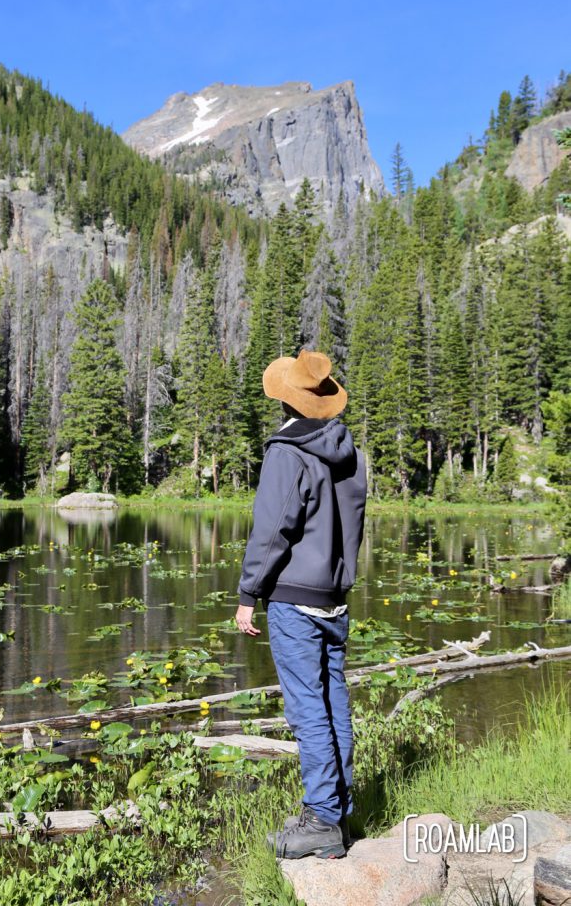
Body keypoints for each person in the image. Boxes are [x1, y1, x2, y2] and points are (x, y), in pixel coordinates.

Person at [234, 348, 367, 860]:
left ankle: (321, 820)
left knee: (308, 710)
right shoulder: (351, 454)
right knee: (334, 705)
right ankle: (336, 812)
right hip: (334, 599)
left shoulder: (286, 452)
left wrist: (250, 594)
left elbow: (273, 529)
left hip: (294, 601)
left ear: (285, 400)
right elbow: (350, 529)